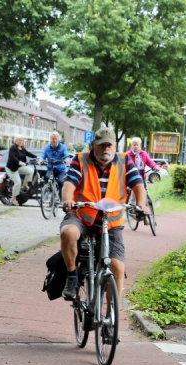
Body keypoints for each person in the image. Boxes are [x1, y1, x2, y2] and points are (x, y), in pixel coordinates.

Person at [60, 127, 149, 304]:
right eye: (101, 146)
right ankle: (72, 277)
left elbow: (138, 184)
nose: (105, 149)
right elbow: (69, 183)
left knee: (117, 267)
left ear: (115, 146)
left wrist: (141, 205)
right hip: (82, 215)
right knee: (68, 233)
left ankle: (111, 317)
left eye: (109, 145)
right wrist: (67, 200)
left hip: (111, 221)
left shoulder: (125, 162)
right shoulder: (81, 160)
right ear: (93, 145)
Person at [5, 135, 37, 206]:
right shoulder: (13, 148)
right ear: (16, 141)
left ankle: (25, 184)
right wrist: (20, 162)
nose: (21, 141)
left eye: (22, 140)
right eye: (19, 140)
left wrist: (37, 157)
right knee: (18, 182)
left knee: (30, 171)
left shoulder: (22, 148)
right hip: (12, 168)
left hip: (19, 167)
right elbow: (12, 157)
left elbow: (28, 153)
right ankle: (13, 199)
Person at [38, 131, 71, 198]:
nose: (54, 140)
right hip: (51, 168)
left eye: (55, 138)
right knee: (47, 178)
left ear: (58, 139)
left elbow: (66, 154)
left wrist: (67, 160)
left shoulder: (63, 147)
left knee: (60, 181)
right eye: (52, 138)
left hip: (60, 169)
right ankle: (47, 192)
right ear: (50, 139)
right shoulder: (47, 147)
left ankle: (60, 197)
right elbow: (43, 155)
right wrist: (41, 160)